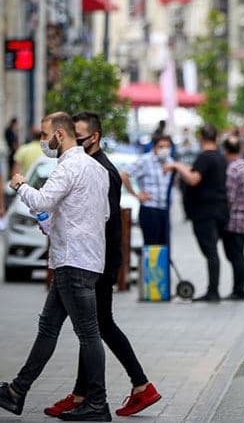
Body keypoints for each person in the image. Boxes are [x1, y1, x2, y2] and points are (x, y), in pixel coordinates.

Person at [38, 111, 163, 418]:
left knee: (96, 326)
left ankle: (137, 386)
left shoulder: (101, 170)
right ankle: (88, 394)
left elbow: (99, 221)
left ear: (93, 137)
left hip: (97, 261)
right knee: (93, 327)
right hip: (91, 259)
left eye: (78, 137)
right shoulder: (88, 165)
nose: (71, 142)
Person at [0, 112, 111, 421]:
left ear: (59, 136)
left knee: (88, 333)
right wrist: (57, 224)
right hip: (85, 258)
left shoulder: (66, 168)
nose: (43, 141)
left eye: (45, 135)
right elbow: (100, 214)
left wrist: (20, 184)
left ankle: (98, 404)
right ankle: (17, 391)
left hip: (71, 261)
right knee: (49, 327)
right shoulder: (95, 168)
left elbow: (40, 201)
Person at [165, 125, 228, 302]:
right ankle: (213, 289)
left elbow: (193, 179)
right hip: (219, 209)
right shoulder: (220, 157)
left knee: (210, 251)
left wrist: (177, 165)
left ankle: (213, 291)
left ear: (201, 138)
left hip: (205, 212)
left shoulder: (205, 157)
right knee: (212, 250)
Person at [121, 134, 175, 245]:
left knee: (165, 246)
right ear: (154, 147)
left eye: (167, 147)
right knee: (152, 247)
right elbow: (124, 174)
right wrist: (135, 194)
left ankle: (163, 263)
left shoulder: (170, 161)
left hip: (165, 210)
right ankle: (152, 263)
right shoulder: (145, 160)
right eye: (161, 146)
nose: (164, 150)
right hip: (150, 209)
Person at [221, 136, 244, 301]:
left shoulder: (232, 169)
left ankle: (238, 290)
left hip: (233, 215)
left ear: (226, 150)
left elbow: (229, 195)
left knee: (234, 255)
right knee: (239, 253)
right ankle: (239, 289)